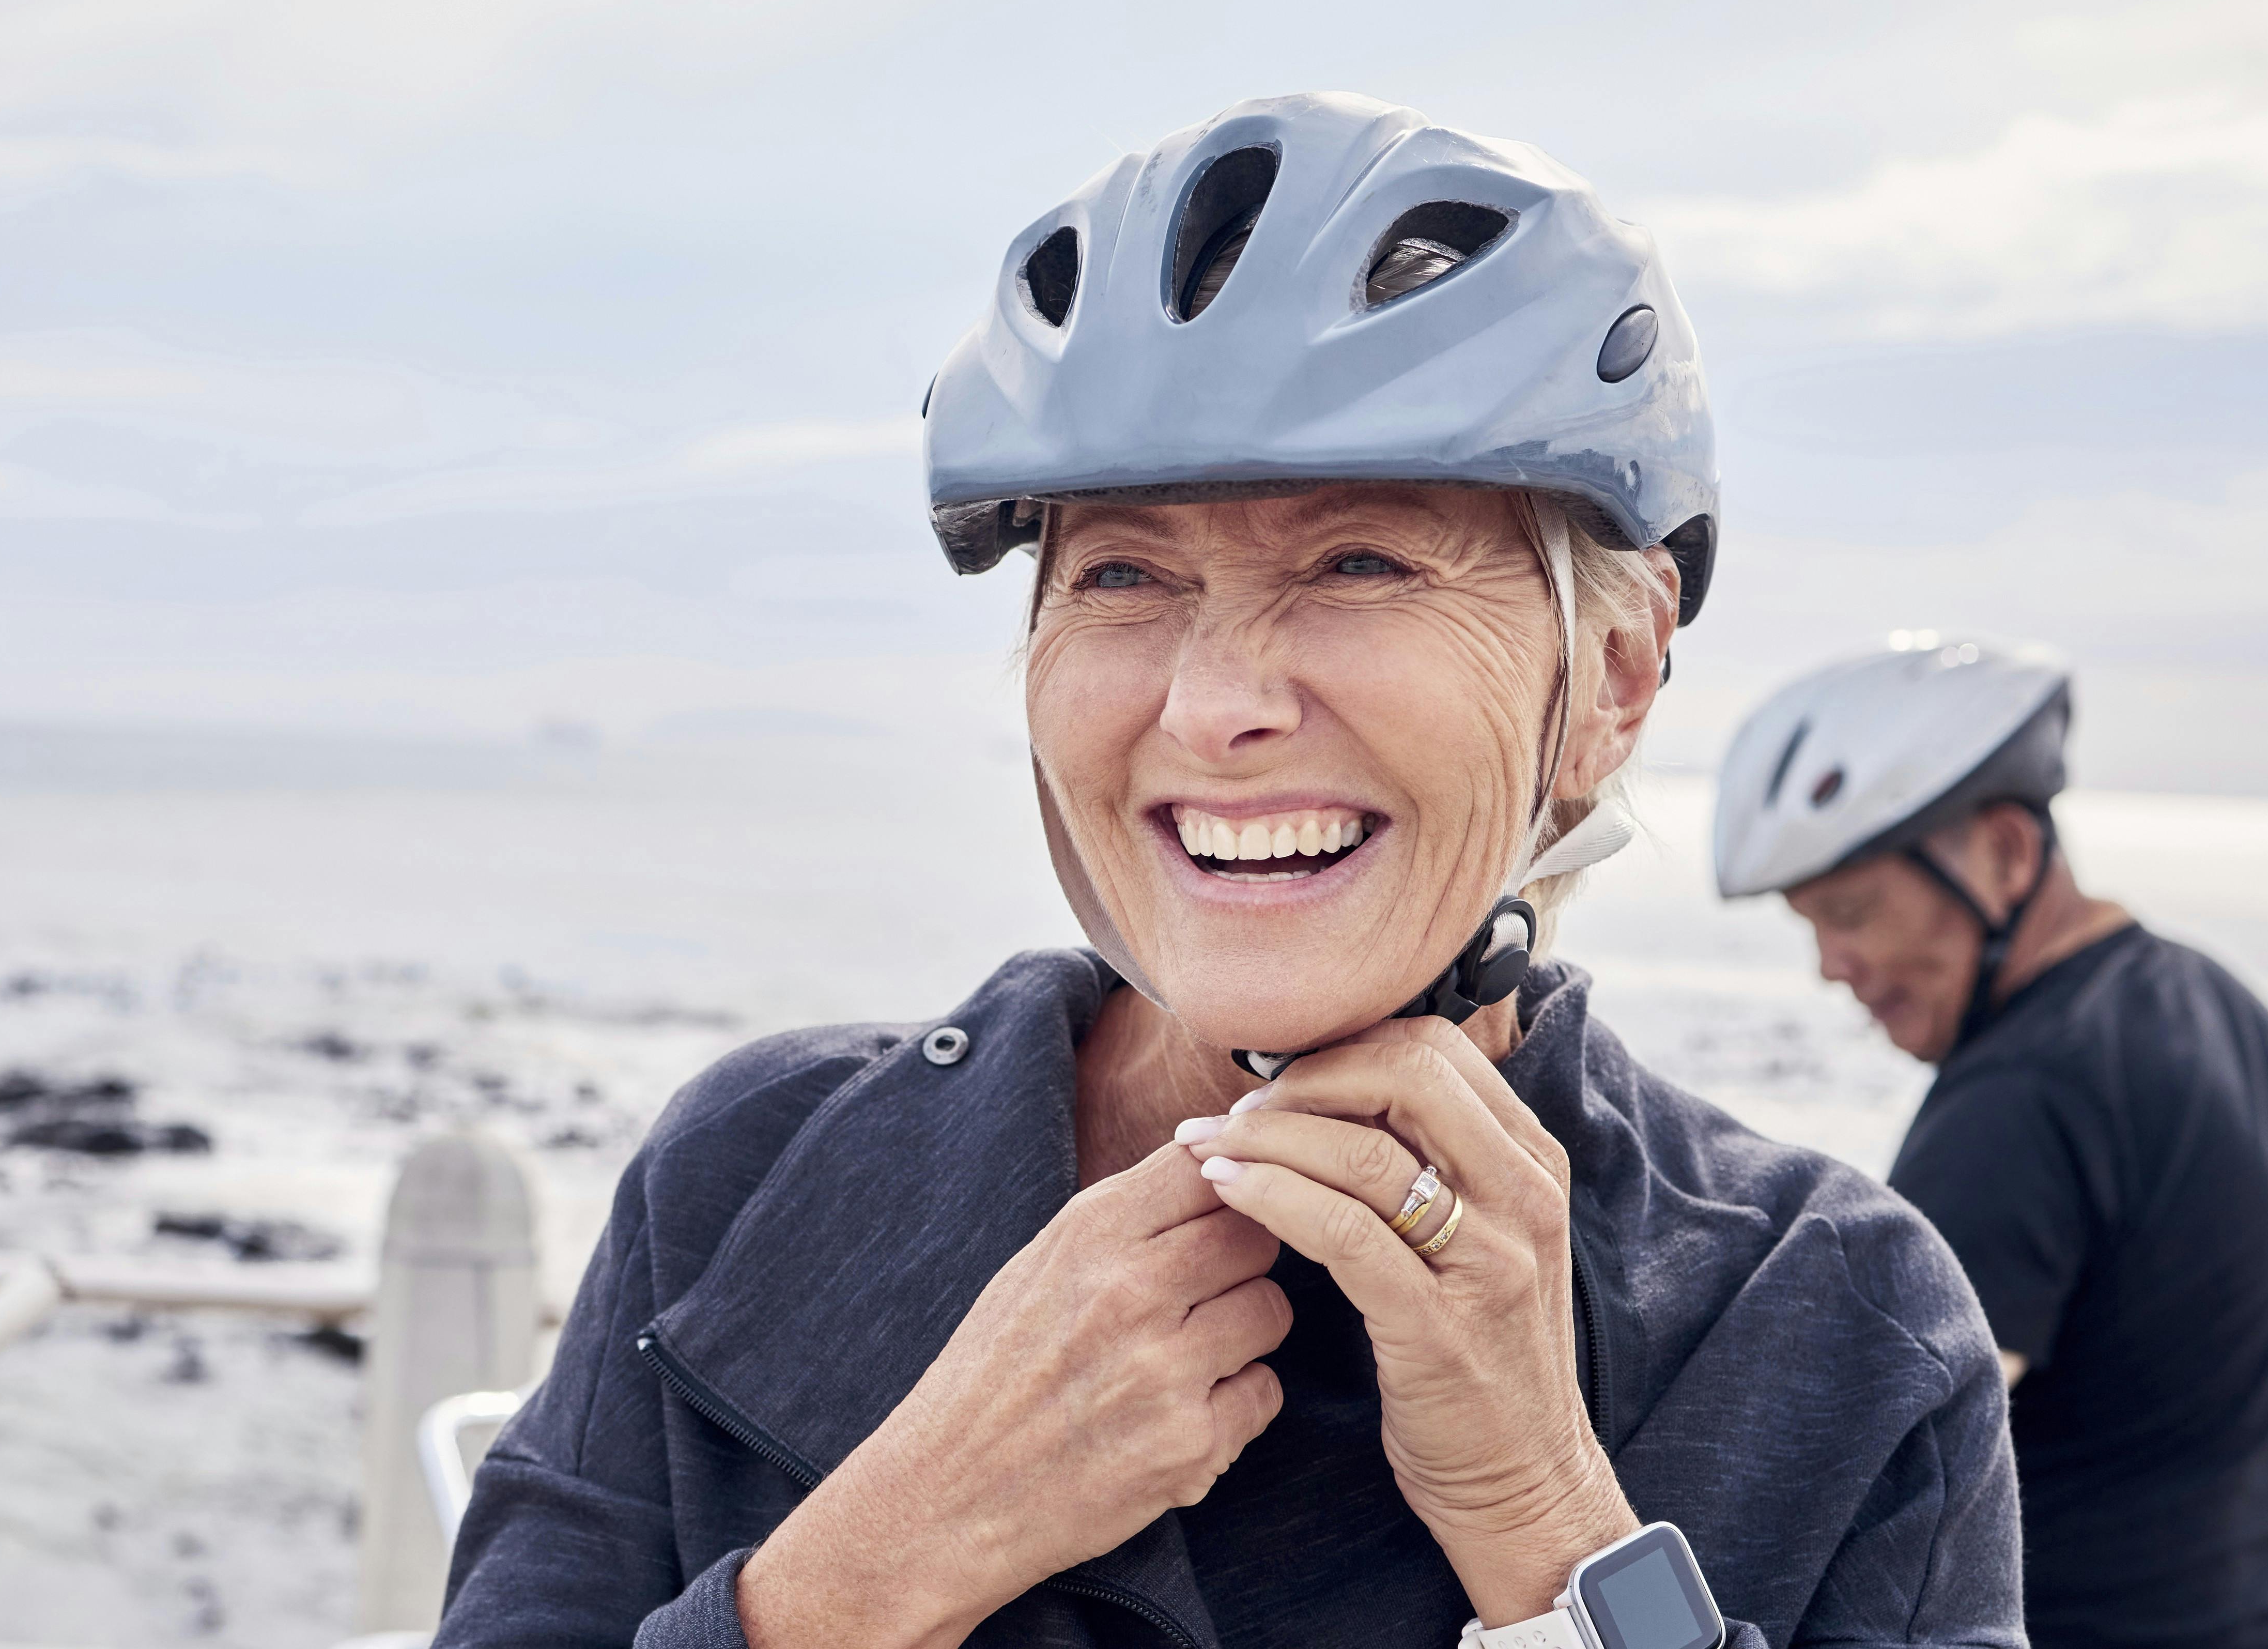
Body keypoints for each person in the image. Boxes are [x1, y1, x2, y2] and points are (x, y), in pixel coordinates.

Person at [439, 94, 2024, 1649]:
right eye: (1124, 574)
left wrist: (1547, 1527)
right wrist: (875, 1567)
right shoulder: (756, 1173)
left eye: (1359, 564)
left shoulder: (1830, 1326)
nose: (1211, 706)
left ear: (1610, 678)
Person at [1714, 637, 2268, 1649]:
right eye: (1810, 924)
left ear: (2006, 850)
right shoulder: (2234, 1015)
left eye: (1851, 912)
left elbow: (1852, 1475)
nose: (1832, 966)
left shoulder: (2018, 1102)